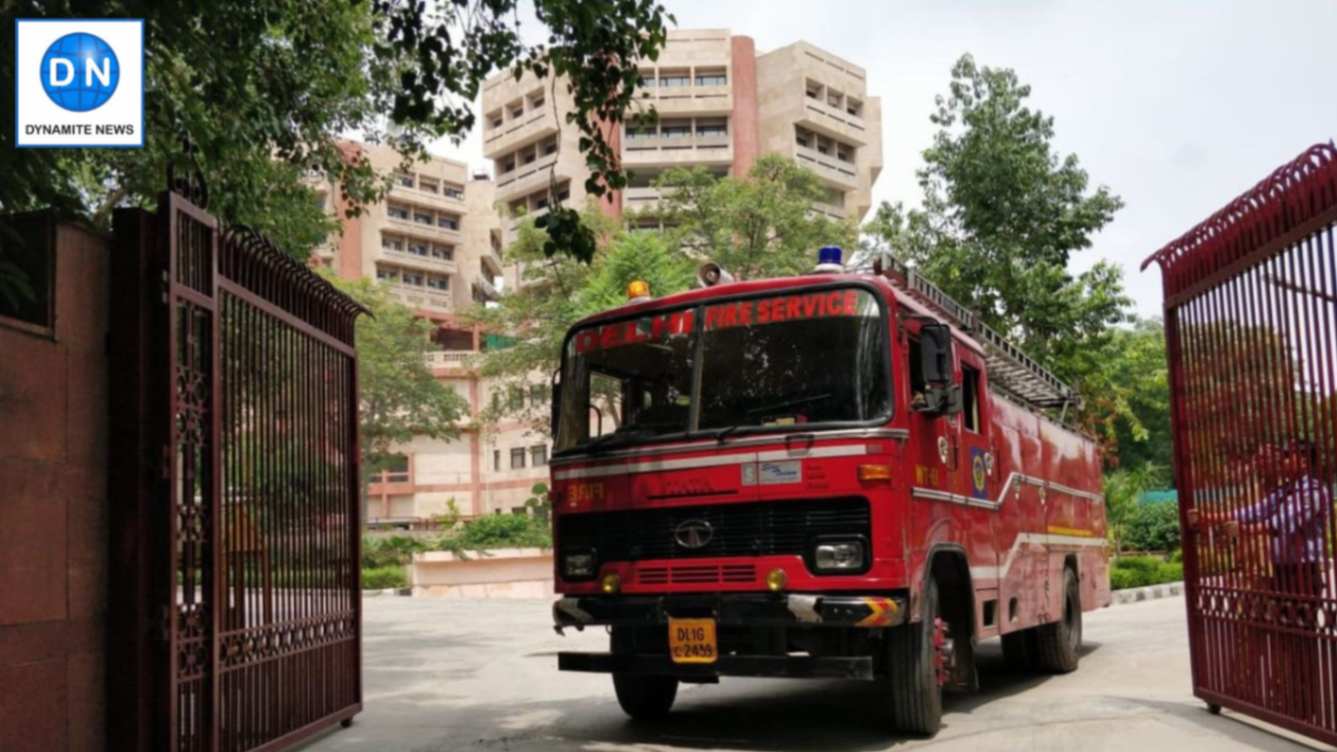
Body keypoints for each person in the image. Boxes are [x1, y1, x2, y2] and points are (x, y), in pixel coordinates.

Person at [1225, 439, 1332, 720]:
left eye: (1286, 456)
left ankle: (1304, 706)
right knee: (1284, 637)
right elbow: (1253, 511)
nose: (1281, 461)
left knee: (1300, 639)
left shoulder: (1312, 491)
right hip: (1277, 573)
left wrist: (1244, 530)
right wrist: (1216, 518)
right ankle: (1285, 698)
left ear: (1303, 461)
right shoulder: (1282, 491)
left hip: (1302, 573)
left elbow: (1279, 524)